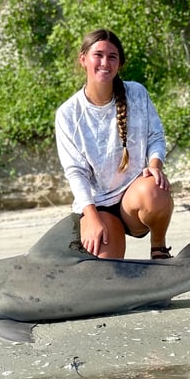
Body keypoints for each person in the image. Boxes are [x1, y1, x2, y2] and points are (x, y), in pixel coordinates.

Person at [55, 28, 174, 260]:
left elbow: (155, 137)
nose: (104, 62)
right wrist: (90, 216)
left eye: (112, 57)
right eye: (97, 55)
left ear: (119, 63)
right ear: (83, 59)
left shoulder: (137, 94)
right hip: (97, 206)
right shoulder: (68, 114)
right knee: (105, 271)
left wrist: (155, 164)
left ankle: (159, 249)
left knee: (155, 190)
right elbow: (75, 172)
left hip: (134, 198)